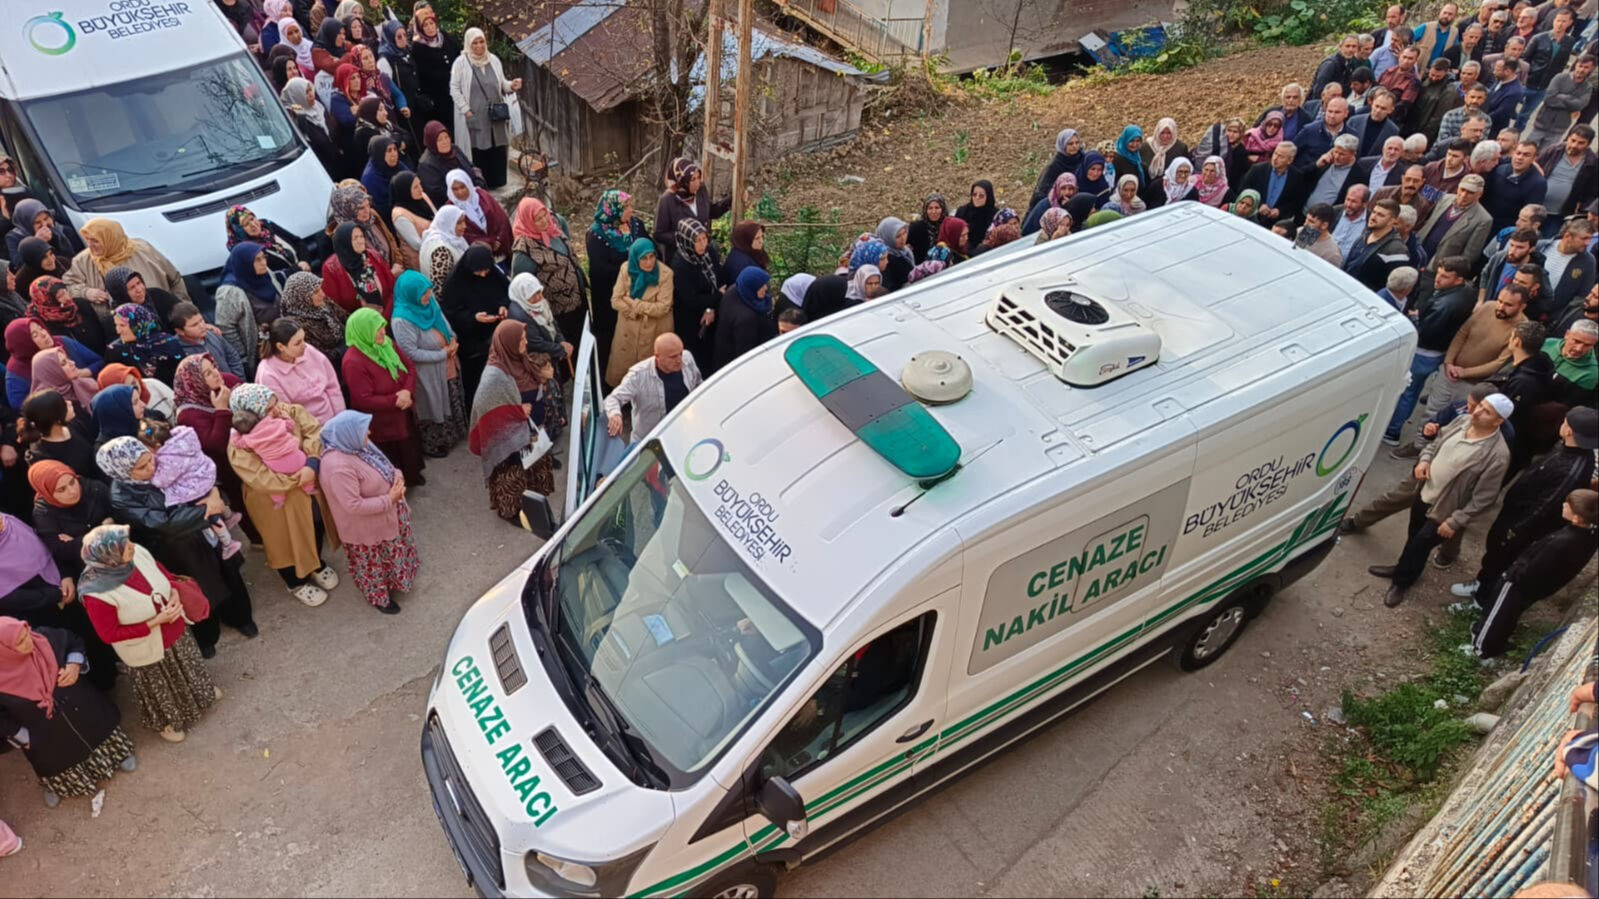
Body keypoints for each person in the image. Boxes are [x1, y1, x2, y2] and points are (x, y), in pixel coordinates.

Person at [97, 435, 257, 655]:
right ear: (122, 472)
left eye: (149, 459)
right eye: (141, 467)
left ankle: (240, 618)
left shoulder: (163, 458)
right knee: (194, 590)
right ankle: (207, 637)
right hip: (175, 549)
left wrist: (214, 494)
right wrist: (209, 509)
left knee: (228, 578)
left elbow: (198, 471)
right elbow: (164, 523)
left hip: (206, 534)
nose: (151, 467)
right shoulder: (121, 497)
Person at [1369, 392, 1512, 607]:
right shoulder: (1462, 421)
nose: (1478, 412)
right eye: (1480, 405)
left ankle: (1402, 582)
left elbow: (1485, 497)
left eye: (1487, 411)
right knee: (1414, 535)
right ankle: (1402, 567)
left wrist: (1456, 521)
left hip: (1445, 509)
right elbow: (1436, 443)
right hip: (1425, 491)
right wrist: (1424, 461)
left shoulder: (1497, 455)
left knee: (1420, 544)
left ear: (1499, 421)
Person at [78, 524, 218, 742]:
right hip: (145, 646)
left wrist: (173, 594)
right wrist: (155, 622)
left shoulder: (137, 554)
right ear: (109, 556)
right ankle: (169, 722)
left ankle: (202, 695)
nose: (133, 546)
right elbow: (110, 634)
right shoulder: (96, 593)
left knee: (188, 665)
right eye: (126, 546)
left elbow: (162, 573)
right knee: (160, 686)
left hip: (173, 628)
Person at [224, 385, 341, 607]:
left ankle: (315, 564)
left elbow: (314, 431)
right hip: (274, 500)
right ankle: (295, 581)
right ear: (251, 413)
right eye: (268, 409)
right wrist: (301, 476)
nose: (276, 410)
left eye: (274, 402)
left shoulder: (288, 411)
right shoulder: (240, 443)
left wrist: (312, 463)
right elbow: (259, 477)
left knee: (314, 525)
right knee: (283, 541)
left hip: (307, 486)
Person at [0, 616, 135, 807]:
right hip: (43, 734)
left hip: (83, 707)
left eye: (26, 633)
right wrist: (23, 737)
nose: (29, 641)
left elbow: (74, 641)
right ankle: (59, 785)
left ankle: (118, 754)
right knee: (57, 757)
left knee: (97, 728)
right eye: (20, 642)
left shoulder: (44, 638)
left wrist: (74, 665)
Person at [1465, 488, 1597, 657]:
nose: (1563, 505)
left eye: (1567, 505)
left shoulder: (1562, 542)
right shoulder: (1589, 534)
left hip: (1519, 584)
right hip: (1539, 587)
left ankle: (1480, 647)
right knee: (1510, 614)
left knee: (1498, 612)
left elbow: (1534, 569)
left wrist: (1513, 575)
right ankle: (1497, 641)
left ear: (1577, 518)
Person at [24, 461, 120, 684]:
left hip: (118, 561)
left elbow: (121, 517)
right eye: (61, 490)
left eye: (72, 482)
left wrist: (77, 541)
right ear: (48, 492)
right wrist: (99, 530)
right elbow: (59, 550)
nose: (72, 491)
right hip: (86, 572)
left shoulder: (93, 488)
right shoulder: (44, 512)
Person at [318, 410, 417, 614]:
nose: (369, 433)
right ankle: (379, 598)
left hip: (387, 516)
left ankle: (398, 581)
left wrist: (397, 479)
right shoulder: (337, 467)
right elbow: (353, 505)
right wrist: (390, 498)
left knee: (390, 554)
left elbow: (386, 465)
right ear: (348, 433)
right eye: (364, 430)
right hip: (366, 530)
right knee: (373, 566)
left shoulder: (357, 447)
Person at [469, 321, 558, 522]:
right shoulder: (494, 375)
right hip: (511, 438)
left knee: (531, 465)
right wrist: (517, 411)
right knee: (513, 471)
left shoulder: (519, 359)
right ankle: (513, 511)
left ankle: (532, 502)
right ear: (508, 342)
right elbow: (484, 407)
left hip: (529, 430)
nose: (526, 342)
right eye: (521, 339)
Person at [135, 417, 243, 559]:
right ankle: (230, 515)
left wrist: (151, 478)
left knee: (210, 514)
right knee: (214, 496)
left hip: (194, 486)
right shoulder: (184, 437)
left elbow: (162, 481)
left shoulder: (169, 458)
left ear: (156, 446)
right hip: (206, 473)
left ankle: (228, 542)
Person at [341, 308, 425, 485]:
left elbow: (409, 368)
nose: (382, 332)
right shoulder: (353, 361)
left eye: (382, 326)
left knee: (409, 446)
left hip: (403, 408)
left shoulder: (386, 343)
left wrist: (407, 392)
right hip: (382, 421)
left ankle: (412, 475)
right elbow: (363, 399)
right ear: (364, 331)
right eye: (377, 328)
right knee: (392, 454)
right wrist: (396, 400)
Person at [389, 271, 465, 458]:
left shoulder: (429, 303)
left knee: (450, 396)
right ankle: (435, 444)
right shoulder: (401, 320)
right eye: (423, 293)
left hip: (447, 364)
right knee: (432, 405)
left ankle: (453, 435)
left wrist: (453, 339)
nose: (428, 296)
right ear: (411, 294)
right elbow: (410, 353)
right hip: (428, 372)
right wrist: (442, 354)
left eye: (429, 291)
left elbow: (444, 324)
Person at [449, 28, 521, 189]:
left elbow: (502, 83)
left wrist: (512, 85)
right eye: (475, 42)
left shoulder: (493, 60)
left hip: (495, 115)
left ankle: (498, 181)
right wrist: (466, 110)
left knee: (497, 146)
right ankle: (482, 184)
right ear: (468, 44)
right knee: (479, 148)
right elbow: (454, 89)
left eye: (481, 41)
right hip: (475, 114)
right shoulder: (461, 64)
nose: (479, 46)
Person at [64, 219, 190, 311]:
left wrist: (183, 310)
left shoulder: (142, 249)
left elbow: (175, 280)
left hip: (162, 314)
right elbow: (68, 285)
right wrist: (86, 292)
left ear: (110, 238)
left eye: (95, 240)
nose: (90, 245)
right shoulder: (82, 261)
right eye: (87, 240)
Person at [509, 198, 586, 344]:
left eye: (545, 215)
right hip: (559, 311)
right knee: (570, 347)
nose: (545, 221)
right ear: (528, 221)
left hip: (579, 300)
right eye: (538, 219)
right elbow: (520, 285)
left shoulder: (555, 226)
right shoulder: (524, 249)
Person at [442, 243, 509, 403]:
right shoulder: (455, 282)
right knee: (477, 381)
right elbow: (451, 312)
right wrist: (473, 318)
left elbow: (505, 291)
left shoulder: (493, 274)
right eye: (479, 271)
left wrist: (503, 305)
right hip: (472, 342)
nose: (484, 275)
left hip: (495, 332)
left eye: (487, 270)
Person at [604, 332, 702, 443]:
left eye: (680, 353)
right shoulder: (638, 375)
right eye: (673, 356)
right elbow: (613, 398)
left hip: (684, 434)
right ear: (657, 356)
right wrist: (615, 415)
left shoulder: (687, 358)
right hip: (649, 443)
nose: (679, 360)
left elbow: (699, 385)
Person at [607, 238, 674, 388]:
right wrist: (635, 310)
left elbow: (662, 307)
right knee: (625, 376)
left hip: (654, 330)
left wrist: (633, 303)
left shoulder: (666, 274)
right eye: (643, 258)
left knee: (650, 378)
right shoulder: (626, 269)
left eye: (652, 257)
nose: (649, 262)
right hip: (628, 331)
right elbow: (615, 300)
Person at [256, 320, 346, 425]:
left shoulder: (309, 351)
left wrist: (341, 419)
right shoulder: (268, 374)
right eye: (298, 343)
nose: (304, 345)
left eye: (304, 339)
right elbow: (287, 415)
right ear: (281, 347)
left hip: (333, 420)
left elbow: (332, 387)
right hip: (308, 431)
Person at [214, 243, 280, 372]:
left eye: (264, 257)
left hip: (281, 341)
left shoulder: (267, 274)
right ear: (244, 263)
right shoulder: (230, 291)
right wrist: (243, 357)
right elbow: (226, 327)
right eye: (257, 260)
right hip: (260, 353)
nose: (264, 263)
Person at [4, 319, 99, 409]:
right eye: (35, 335)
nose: (44, 334)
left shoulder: (62, 342)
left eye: (41, 328)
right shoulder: (17, 373)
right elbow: (23, 408)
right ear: (24, 344)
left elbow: (99, 361)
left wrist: (83, 373)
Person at [651, 159, 730, 263]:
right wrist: (687, 238)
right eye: (692, 179)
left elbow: (711, 211)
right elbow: (659, 234)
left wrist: (731, 200)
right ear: (682, 181)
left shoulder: (700, 190)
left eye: (698, 177)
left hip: (702, 252)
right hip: (680, 258)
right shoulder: (667, 200)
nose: (697, 182)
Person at [669, 219, 721, 372]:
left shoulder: (709, 252)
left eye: (704, 239)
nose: (702, 244)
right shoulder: (680, 264)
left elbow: (718, 278)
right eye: (697, 240)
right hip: (690, 320)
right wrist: (717, 297)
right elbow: (690, 299)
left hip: (709, 314)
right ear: (687, 240)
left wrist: (711, 308)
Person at [20, 390, 101, 485]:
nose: (69, 403)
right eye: (64, 404)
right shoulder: (41, 455)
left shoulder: (75, 425)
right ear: (55, 417)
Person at [322, 222, 397, 317]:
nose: (361, 241)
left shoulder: (373, 256)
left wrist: (386, 315)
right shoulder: (331, 268)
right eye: (355, 238)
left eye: (361, 236)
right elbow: (335, 307)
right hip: (362, 323)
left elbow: (392, 286)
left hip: (389, 314)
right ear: (344, 241)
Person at [1525, 52, 1594, 152]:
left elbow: (1580, 105)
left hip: (1560, 128)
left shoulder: (1587, 87)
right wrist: (1570, 100)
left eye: (1586, 67)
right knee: (1528, 149)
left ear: (1591, 69)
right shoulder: (1560, 78)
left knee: (1545, 155)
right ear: (1576, 64)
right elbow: (1549, 99)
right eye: (1580, 65)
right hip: (1542, 122)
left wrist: (1562, 96)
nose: (1582, 69)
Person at [409, 5, 462, 135]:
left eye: (431, 23)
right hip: (437, 100)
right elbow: (425, 74)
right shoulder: (418, 47)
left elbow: (458, 55)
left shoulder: (444, 37)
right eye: (425, 25)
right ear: (420, 28)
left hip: (456, 92)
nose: (430, 28)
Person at [715, 267, 776, 370]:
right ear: (752, 288)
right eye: (761, 286)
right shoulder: (746, 319)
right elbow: (745, 354)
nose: (765, 288)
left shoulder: (736, 290)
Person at [1343, 197, 1410, 290]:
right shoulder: (1363, 236)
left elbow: (1391, 287)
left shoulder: (1397, 250)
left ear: (1392, 221)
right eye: (1374, 212)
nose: (1373, 217)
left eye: (1380, 215)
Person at [444, 169, 512, 259]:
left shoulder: (482, 196)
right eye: (455, 189)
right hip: (477, 257)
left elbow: (501, 219)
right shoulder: (450, 209)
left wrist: (498, 239)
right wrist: (489, 242)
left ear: (468, 184)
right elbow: (460, 236)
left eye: (462, 187)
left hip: (499, 249)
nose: (460, 192)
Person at [28, 277, 106, 355]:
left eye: (65, 292)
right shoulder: (43, 324)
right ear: (48, 302)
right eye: (59, 297)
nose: (67, 298)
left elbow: (101, 332)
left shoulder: (80, 305)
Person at [1540, 220, 1598, 321]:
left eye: (1590, 238)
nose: (1588, 243)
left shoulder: (1588, 262)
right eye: (1584, 238)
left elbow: (1582, 296)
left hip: (1553, 317)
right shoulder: (1542, 247)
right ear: (1567, 236)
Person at [1537, 127, 1596, 228]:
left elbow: (1591, 191)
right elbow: (1534, 168)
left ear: (1588, 144)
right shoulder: (1553, 151)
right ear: (1567, 138)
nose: (1574, 145)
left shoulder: (1592, 163)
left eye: (1581, 143)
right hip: (1535, 209)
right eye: (1572, 140)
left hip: (1560, 216)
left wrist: (1580, 213)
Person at [415, 121, 482, 209]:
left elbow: (471, 167)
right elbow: (438, 193)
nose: (445, 142)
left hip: (471, 196)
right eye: (439, 140)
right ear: (431, 142)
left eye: (446, 137)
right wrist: (465, 193)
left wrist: (478, 184)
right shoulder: (427, 165)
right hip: (451, 206)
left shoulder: (454, 149)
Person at [169, 303, 245, 380]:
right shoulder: (178, 351)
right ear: (180, 331)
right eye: (194, 325)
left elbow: (232, 356)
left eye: (201, 320)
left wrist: (237, 379)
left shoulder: (212, 334)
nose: (202, 326)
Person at [1242, 142, 1307, 226]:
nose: (1275, 158)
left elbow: (1295, 202)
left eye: (1281, 156)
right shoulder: (1257, 169)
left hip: (1275, 223)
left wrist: (1280, 211)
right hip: (1252, 217)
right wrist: (1259, 205)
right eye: (1275, 153)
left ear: (1290, 160)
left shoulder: (1296, 177)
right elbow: (1243, 189)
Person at [1028, 129, 1086, 213]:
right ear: (1062, 145)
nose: (1074, 146)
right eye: (1070, 144)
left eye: (1077, 143)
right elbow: (1042, 191)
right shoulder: (1054, 166)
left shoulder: (1083, 158)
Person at [419, 205, 469, 296]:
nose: (464, 226)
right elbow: (440, 289)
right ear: (446, 223)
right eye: (458, 223)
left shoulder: (436, 238)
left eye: (464, 221)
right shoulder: (441, 250)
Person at [1412, 59, 1462, 140]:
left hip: (1426, 128)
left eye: (1438, 76)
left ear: (1446, 73)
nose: (1434, 78)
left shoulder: (1449, 89)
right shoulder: (1424, 78)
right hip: (1414, 121)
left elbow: (1438, 117)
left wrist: (1425, 134)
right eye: (1432, 74)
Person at [954, 181, 999, 250]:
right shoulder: (963, 211)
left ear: (988, 196)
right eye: (974, 194)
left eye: (981, 196)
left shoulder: (996, 215)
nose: (977, 198)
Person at [875, 217, 916, 290]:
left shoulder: (905, 251)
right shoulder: (885, 259)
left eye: (904, 233)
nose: (903, 238)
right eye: (898, 236)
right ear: (887, 237)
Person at [906, 193, 948, 264]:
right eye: (930, 208)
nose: (933, 212)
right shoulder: (916, 228)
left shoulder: (949, 226)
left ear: (943, 209)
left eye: (937, 208)